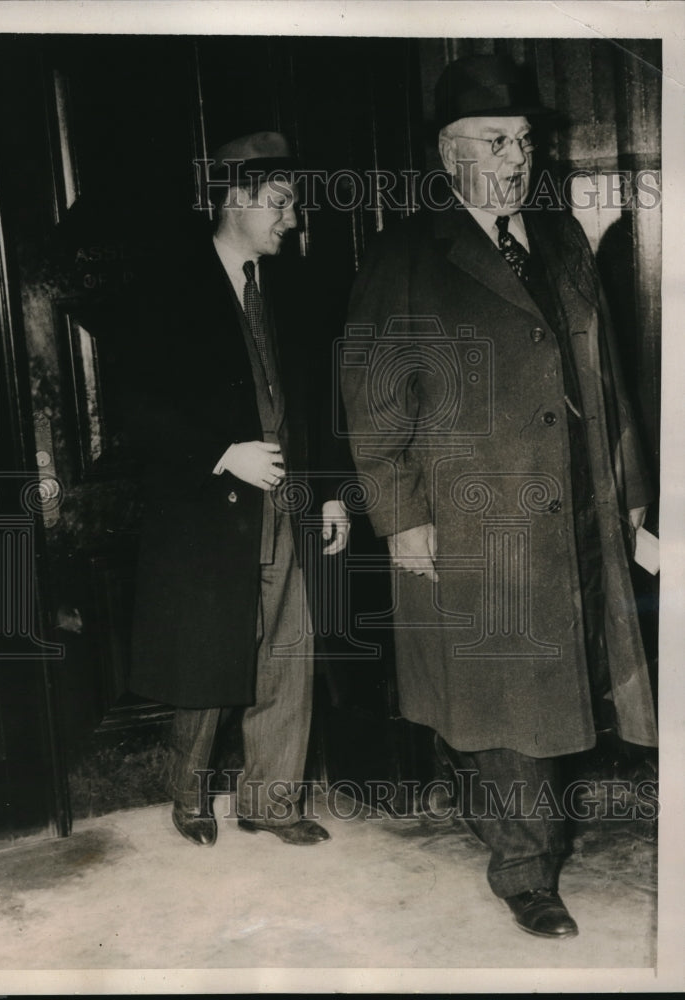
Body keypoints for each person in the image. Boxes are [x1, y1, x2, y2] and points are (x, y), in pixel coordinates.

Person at [340, 55, 657, 937]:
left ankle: (494, 801)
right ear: (450, 153)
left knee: (556, 680)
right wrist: (402, 519)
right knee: (504, 692)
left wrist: (630, 489)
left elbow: (608, 372)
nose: (517, 158)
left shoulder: (558, 238)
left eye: (523, 140)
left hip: (578, 505)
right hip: (475, 514)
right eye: (495, 140)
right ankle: (526, 869)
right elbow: (373, 402)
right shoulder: (406, 253)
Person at [124, 131, 349, 847]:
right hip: (210, 503)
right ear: (233, 199)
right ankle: (189, 796)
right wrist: (222, 453)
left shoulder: (296, 288)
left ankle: (271, 803)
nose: (292, 219)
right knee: (209, 650)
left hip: (290, 499)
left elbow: (320, 402)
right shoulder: (169, 285)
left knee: (289, 646)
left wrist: (333, 492)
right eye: (279, 203)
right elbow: (134, 405)